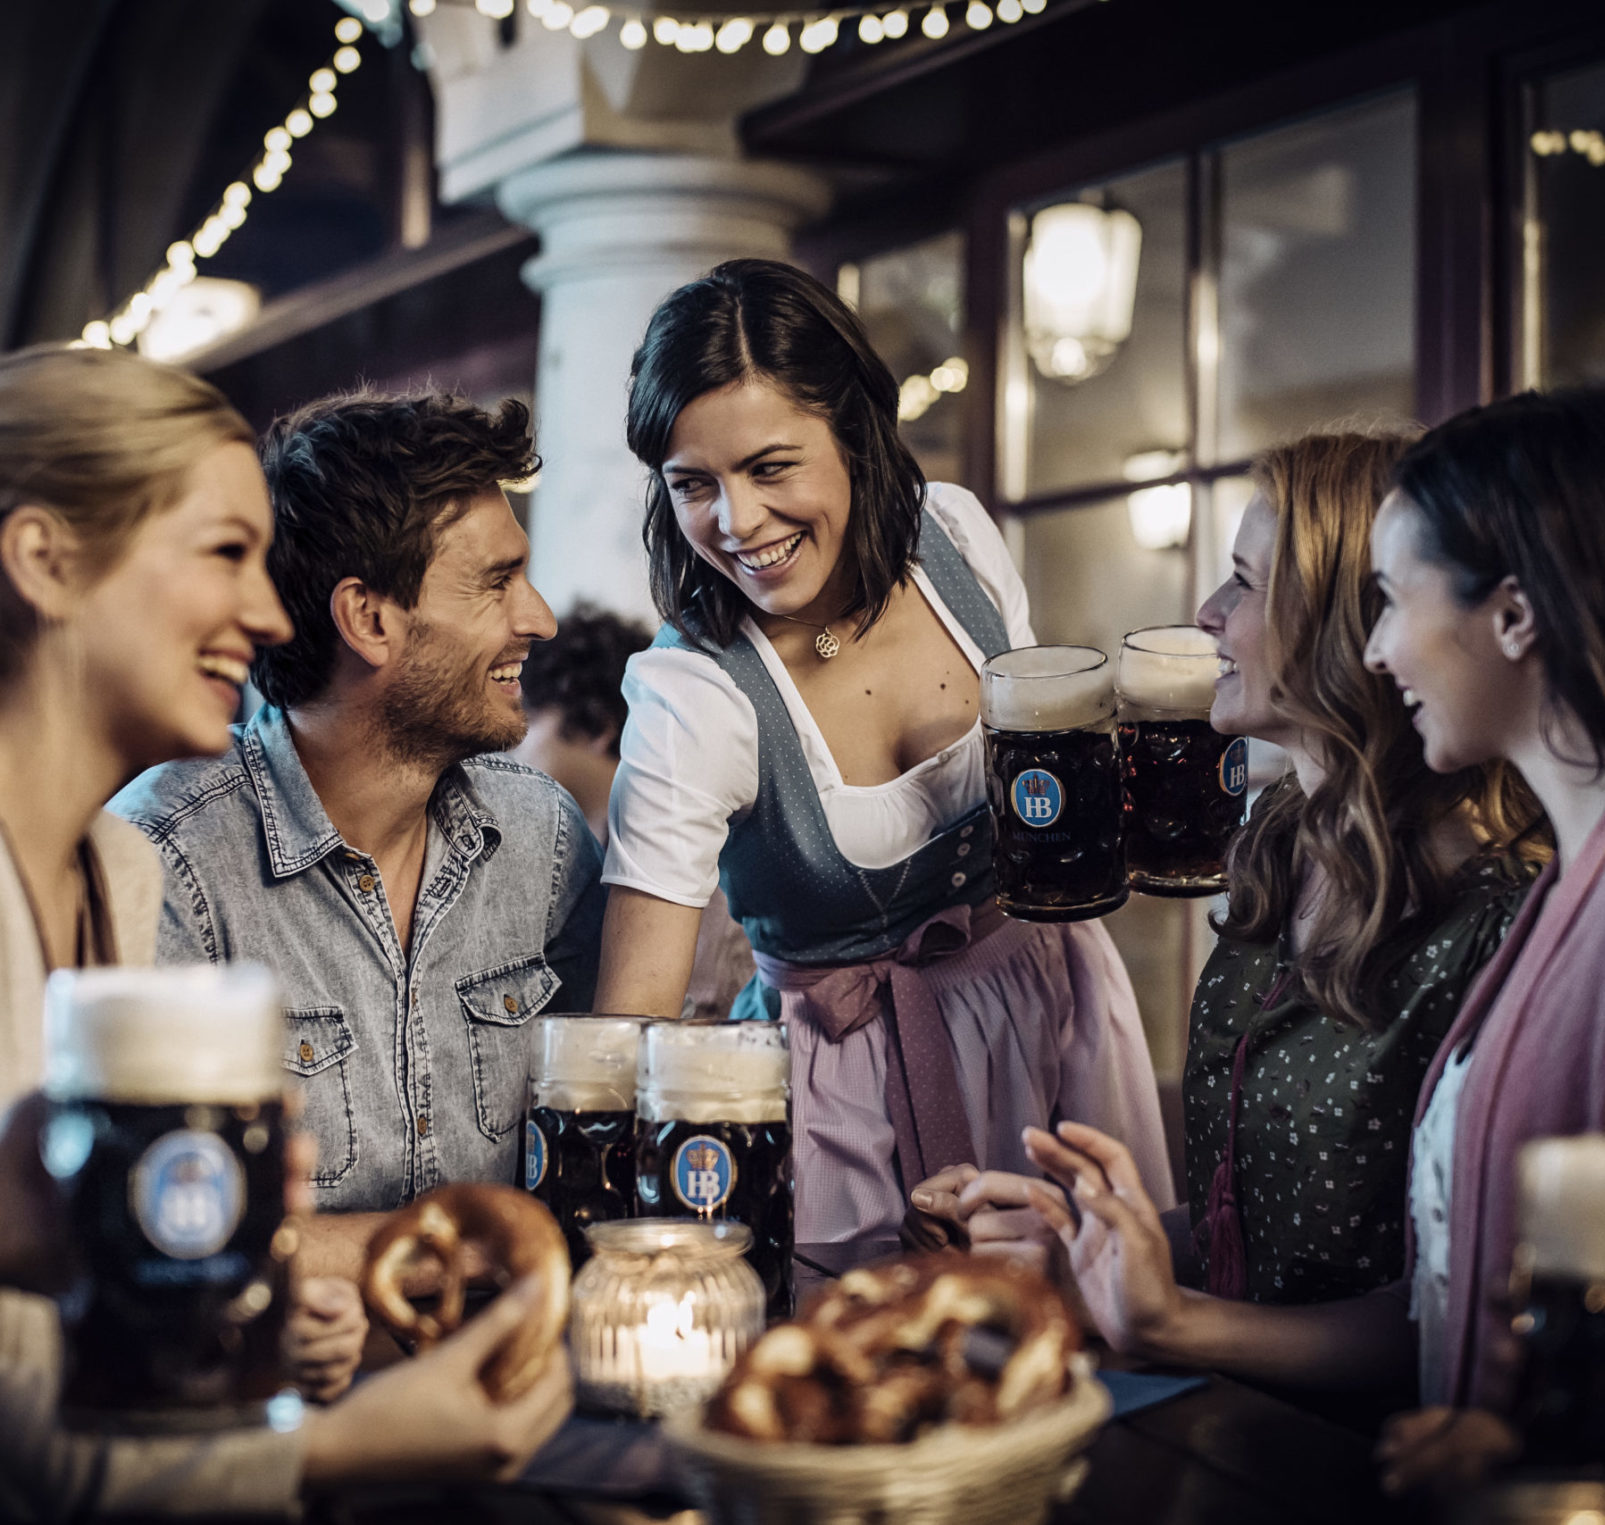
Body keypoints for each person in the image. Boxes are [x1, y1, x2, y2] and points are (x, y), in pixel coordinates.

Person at [0, 346, 571, 1518]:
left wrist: (269, 1310)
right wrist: (334, 1442)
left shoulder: (106, 872)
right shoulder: (158, 844)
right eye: (224, 555)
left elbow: (108, 1357)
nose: (265, 615)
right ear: (47, 562)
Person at [922, 431, 1542, 1402]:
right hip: (1218, 1419)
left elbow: (1450, 1315)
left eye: (1246, 583)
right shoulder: (1277, 844)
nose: (1207, 613)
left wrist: (1176, 1323)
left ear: (1355, 623)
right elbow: (1252, 1226)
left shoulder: (1499, 917)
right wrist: (1081, 1243)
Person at [592, 257, 1170, 1253]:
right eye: (695, 484)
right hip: (844, 1084)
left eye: (772, 467)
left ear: (854, 433)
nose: (737, 523)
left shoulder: (956, 536)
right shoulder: (691, 698)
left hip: (1048, 1006)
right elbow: (628, 1037)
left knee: (1096, 1337)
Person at [110, 389, 605, 1282]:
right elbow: (170, 1235)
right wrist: (495, 1251)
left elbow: (602, 1149)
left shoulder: (545, 836)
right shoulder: (169, 860)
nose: (538, 618)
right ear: (369, 618)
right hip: (287, 1406)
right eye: (497, 581)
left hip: (530, 1392)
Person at [1362, 386, 1605, 1488]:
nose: (1373, 650)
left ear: (1514, 615)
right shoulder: (1563, 886)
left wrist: (1545, 1449)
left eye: (1389, 598)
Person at [512, 601, 754, 1020]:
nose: (509, 746)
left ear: (598, 726)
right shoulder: (555, 863)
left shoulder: (715, 865)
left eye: (527, 718)